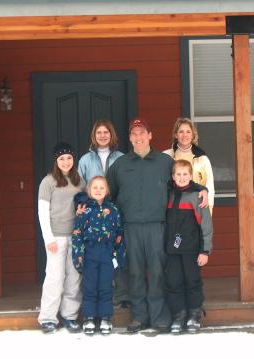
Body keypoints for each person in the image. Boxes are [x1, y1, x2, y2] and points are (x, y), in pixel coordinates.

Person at [106, 117, 208, 333]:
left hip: (158, 226)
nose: (138, 137)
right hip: (130, 226)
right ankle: (139, 317)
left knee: (158, 271)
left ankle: (160, 317)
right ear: (130, 138)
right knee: (134, 271)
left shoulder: (164, 162)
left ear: (150, 136)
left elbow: (182, 180)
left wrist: (202, 188)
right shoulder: (120, 165)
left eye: (142, 133)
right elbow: (109, 195)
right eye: (134, 134)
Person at [77, 119, 130, 308]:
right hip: (94, 215)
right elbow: (80, 187)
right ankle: (95, 298)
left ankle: (122, 295)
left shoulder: (122, 158)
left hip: (116, 212)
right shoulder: (85, 160)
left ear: (111, 135)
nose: (102, 136)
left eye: (106, 132)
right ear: (94, 135)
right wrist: (82, 204)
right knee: (96, 256)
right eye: (99, 132)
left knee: (118, 250)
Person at [37, 142, 86, 333]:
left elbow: (83, 207)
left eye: (69, 158)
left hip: (75, 236)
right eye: (61, 159)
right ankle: (48, 317)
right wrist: (48, 238)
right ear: (56, 161)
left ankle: (70, 315)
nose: (66, 162)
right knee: (54, 277)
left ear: (73, 160)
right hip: (56, 237)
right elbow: (42, 212)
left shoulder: (79, 181)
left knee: (74, 277)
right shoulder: (48, 182)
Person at [71, 176, 126, 335]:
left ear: (107, 190)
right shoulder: (84, 210)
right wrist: (78, 256)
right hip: (90, 252)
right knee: (89, 286)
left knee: (105, 285)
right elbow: (77, 234)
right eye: (95, 187)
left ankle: (105, 318)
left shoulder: (114, 210)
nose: (98, 190)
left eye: (102, 187)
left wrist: (118, 256)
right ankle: (89, 317)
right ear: (89, 190)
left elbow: (119, 234)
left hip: (108, 252)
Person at [165, 160, 213, 334]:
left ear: (191, 176)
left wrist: (205, 250)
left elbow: (206, 225)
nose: (182, 177)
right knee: (173, 282)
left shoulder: (197, 196)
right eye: (178, 174)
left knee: (192, 282)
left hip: (192, 250)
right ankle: (178, 315)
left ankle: (194, 314)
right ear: (173, 176)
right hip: (172, 250)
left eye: (185, 174)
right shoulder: (168, 194)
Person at [163, 117, 215, 214]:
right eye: (181, 131)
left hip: (196, 207)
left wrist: (208, 210)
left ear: (193, 135)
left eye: (188, 132)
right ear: (175, 134)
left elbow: (209, 186)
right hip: (173, 207)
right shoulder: (166, 156)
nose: (184, 135)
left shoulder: (202, 159)